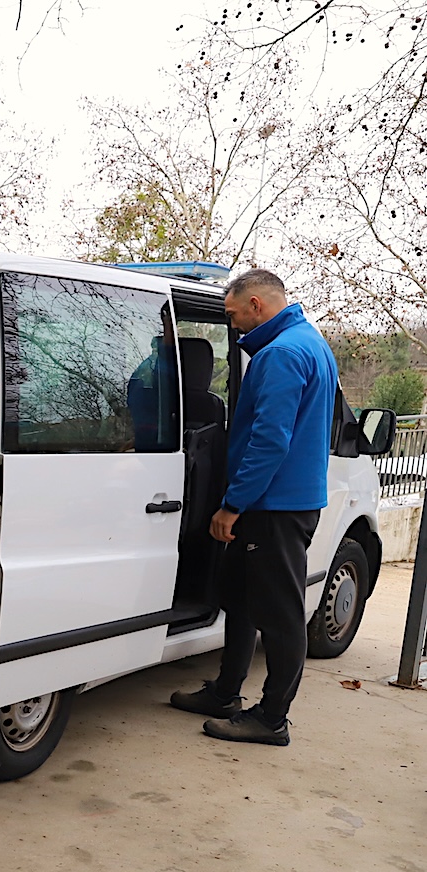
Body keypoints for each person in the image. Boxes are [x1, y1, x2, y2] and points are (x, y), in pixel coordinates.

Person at [169, 269, 336, 746]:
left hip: (274, 506)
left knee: (281, 615)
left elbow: (270, 440)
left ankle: (272, 718)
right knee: (239, 599)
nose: (234, 323)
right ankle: (225, 692)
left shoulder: (282, 353)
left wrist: (232, 504)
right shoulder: (308, 342)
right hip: (278, 501)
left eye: (234, 314)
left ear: (257, 305)